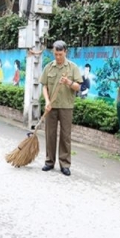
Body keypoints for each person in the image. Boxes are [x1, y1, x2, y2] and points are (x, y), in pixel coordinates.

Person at [40, 40, 83, 176]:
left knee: (65, 136)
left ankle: (64, 164)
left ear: (65, 52)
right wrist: (47, 101)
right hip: (51, 107)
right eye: (55, 54)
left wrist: (68, 82)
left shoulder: (72, 68)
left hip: (66, 107)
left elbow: (78, 87)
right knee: (50, 135)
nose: (58, 57)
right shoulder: (49, 67)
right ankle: (49, 161)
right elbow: (44, 86)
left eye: (60, 54)